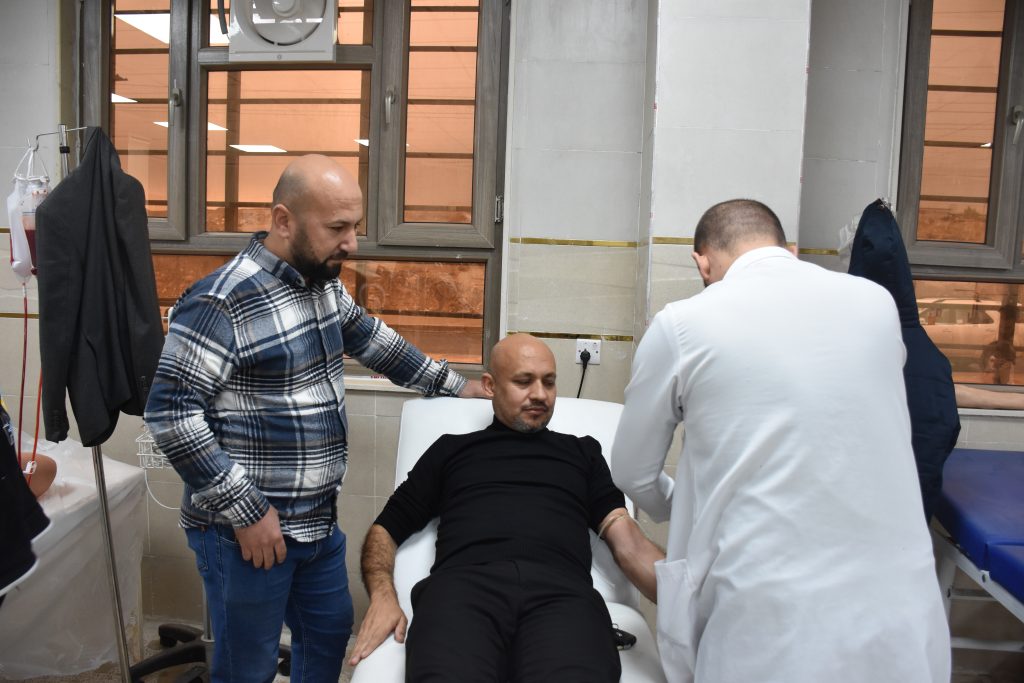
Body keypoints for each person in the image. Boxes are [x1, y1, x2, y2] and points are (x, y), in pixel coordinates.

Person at [144, 154, 485, 683]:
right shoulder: (221, 301)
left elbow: (373, 340)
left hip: (317, 525)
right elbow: (170, 412)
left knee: (328, 638)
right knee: (248, 668)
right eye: (337, 228)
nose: (352, 243)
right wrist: (247, 510)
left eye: (355, 227)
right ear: (284, 220)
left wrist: (457, 385)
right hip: (246, 532)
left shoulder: (321, 284)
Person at [611, 199, 950, 683]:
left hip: (769, 612)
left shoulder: (683, 324)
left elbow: (632, 472)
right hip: (897, 602)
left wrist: (682, 504)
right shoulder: (877, 304)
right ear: (789, 251)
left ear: (702, 263)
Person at [350, 334, 665, 682]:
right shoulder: (451, 451)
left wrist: (690, 602)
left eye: (549, 382)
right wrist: (382, 597)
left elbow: (629, 544)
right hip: (462, 592)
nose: (540, 394)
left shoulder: (582, 454)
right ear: (490, 386)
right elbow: (384, 529)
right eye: (523, 382)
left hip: (561, 596)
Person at [847, 198, 960, 521]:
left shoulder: (852, 343)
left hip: (860, 510)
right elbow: (946, 428)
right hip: (912, 512)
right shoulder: (927, 354)